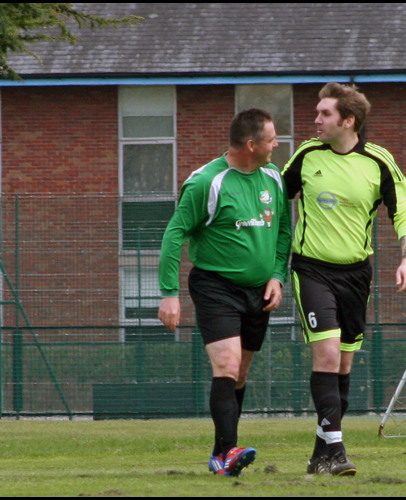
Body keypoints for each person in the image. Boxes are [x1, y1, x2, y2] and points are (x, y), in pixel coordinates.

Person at [282, 82, 406, 476]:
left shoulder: (378, 161)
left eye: (325, 113)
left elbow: (404, 211)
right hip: (311, 270)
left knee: (342, 365)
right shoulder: (307, 155)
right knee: (326, 355)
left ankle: (319, 457)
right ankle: (338, 452)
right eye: (317, 112)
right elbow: (271, 195)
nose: (316, 120)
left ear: (349, 120)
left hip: (357, 274)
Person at [158, 109, 291, 477]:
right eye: (271, 139)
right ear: (251, 145)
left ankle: (221, 454)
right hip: (216, 287)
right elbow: (174, 234)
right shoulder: (207, 182)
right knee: (227, 367)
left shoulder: (273, 178)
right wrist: (169, 293)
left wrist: (277, 276)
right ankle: (230, 452)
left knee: (240, 374)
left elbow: (283, 230)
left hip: (258, 293)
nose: (277, 145)